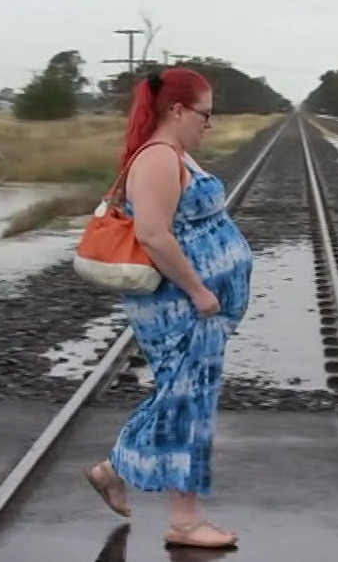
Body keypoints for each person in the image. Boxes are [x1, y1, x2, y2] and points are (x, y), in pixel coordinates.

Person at [83, 67, 253, 550]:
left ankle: (113, 470)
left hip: (194, 308)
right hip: (179, 305)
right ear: (177, 110)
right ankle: (184, 520)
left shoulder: (175, 155)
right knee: (187, 407)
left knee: (180, 400)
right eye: (205, 113)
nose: (210, 124)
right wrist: (200, 290)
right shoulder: (158, 158)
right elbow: (153, 234)